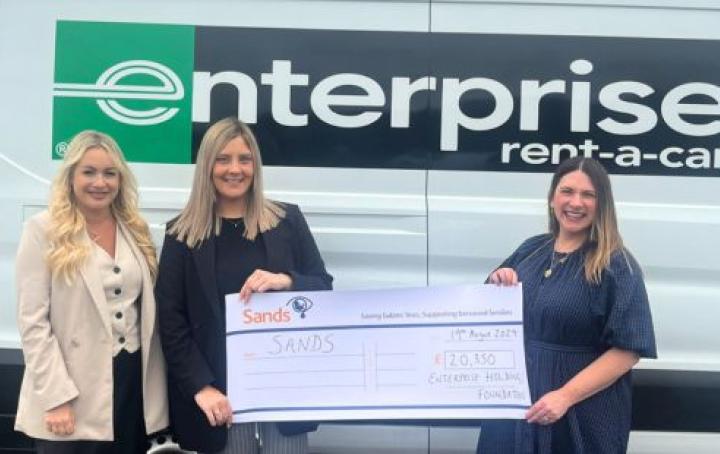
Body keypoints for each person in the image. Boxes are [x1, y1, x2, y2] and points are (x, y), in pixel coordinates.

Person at [156, 117, 333, 454]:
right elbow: (170, 321)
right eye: (223, 159)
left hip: (282, 396)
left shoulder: (287, 220)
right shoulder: (181, 234)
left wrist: (286, 282)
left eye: (244, 159)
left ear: (256, 165)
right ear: (207, 166)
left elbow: (324, 289)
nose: (234, 169)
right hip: (219, 401)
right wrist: (201, 387)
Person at [477, 156, 656, 453]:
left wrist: (564, 396)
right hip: (516, 409)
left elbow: (628, 350)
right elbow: (485, 315)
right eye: (567, 191)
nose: (576, 203)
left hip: (581, 414)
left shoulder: (615, 264)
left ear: (602, 205)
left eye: (588, 195)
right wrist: (498, 282)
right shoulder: (531, 250)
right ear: (552, 198)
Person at [14, 131, 169, 453]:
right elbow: (33, 324)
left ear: (120, 179)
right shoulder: (42, 230)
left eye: (110, 173)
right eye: (89, 172)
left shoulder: (135, 229)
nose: (100, 182)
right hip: (71, 388)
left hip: (131, 385)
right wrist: (56, 398)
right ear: (71, 177)